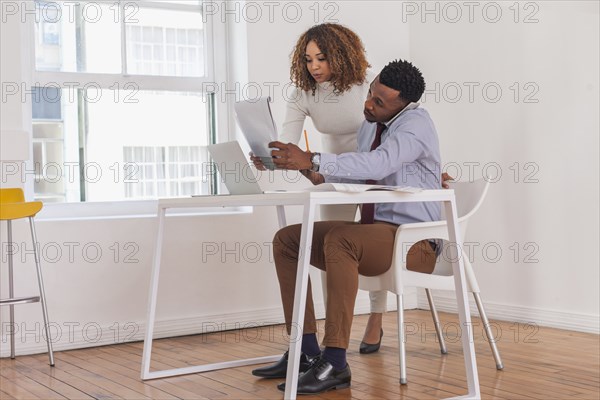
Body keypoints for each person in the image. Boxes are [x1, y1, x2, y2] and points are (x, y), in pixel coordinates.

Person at [252, 59, 442, 394]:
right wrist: (302, 167)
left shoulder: (415, 126)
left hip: (415, 244)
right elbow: (359, 169)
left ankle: (336, 362)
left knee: (342, 239)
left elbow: (380, 162)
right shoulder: (371, 124)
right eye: (371, 94)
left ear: (404, 105)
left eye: (380, 102)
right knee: (288, 240)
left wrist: (313, 158)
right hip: (380, 235)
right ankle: (307, 351)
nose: (369, 104)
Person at [250, 23, 389, 353]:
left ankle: (376, 318)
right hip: (331, 176)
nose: (314, 67)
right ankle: (332, 334)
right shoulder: (304, 94)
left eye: (322, 58)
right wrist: (273, 157)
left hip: (374, 175)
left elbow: (395, 137)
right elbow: (289, 140)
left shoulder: (366, 87)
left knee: (374, 244)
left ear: (340, 56)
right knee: (332, 249)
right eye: (309, 59)